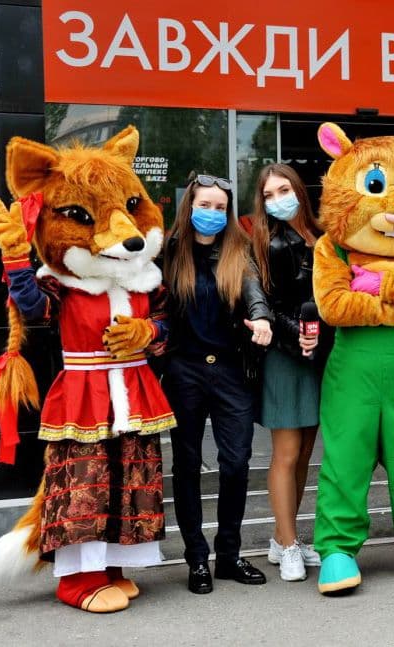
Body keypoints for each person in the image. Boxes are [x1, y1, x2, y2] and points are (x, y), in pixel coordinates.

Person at [162, 173, 275, 594]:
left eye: (219, 207)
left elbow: (253, 291)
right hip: (184, 371)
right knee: (187, 466)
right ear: (189, 206)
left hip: (230, 372)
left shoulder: (237, 250)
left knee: (236, 463)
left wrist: (261, 318)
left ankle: (228, 554)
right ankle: (196, 558)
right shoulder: (169, 253)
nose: (211, 213)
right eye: (204, 205)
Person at [246, 164, 327, 581]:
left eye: (284, 190)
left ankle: (284, 539)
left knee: (306, 455)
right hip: (285, 354)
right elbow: (266, 304)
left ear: (299, 190)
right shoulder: (268, 243)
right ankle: (289, 543)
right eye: (269, 194)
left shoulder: (322, 235)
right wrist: (297, 334)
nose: (278, 199)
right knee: (287, 453)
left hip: (319, 355)